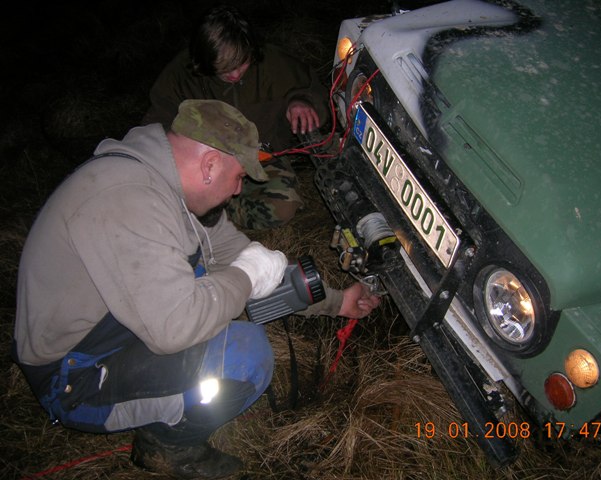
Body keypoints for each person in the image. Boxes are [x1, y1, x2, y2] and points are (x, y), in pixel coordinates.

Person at [13, 100, 379, 479]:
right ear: (209, 166)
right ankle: (169, 447)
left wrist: (336, 302)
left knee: (208, 273)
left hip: (109, 331)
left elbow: (246, 262)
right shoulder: (128, 200)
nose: (239, 192)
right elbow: (179, 326)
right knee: (243, 357)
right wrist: (246, 277)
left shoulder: (170, 189)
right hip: (74, 374)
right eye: (238, 177)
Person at [143, 4, 329, 230]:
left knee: (282, 206)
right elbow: (154, 130)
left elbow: (311, 88)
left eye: (241, 64)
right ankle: (202, 213)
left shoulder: (272, 62)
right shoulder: (180, 75)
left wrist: (302, 102)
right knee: (167, 206)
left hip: (260, 157)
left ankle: (220, 214)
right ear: (203, 59)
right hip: (205, 164)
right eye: (223, 69)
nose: (234, 74)